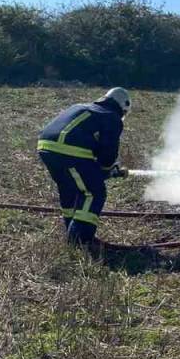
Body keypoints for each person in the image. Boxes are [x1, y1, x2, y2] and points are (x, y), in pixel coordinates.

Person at [37, 87, 130, 244]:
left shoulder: (80, 107)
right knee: (94, 192)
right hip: (69, 152)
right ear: (123, 107)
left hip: (46, 148)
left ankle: (71, 232)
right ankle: (80, 240)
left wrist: (102, 171)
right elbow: (107, 155)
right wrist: (109, 170)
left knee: (70, 188)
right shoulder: (112, 117)